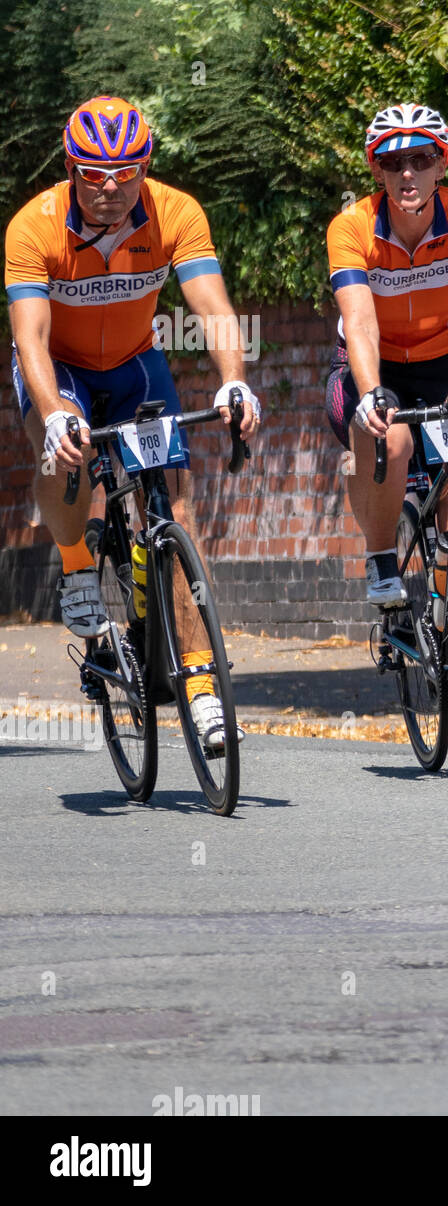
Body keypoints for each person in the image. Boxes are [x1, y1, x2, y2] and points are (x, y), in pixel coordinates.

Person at [5, 95, 260, 753]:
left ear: (145, 166)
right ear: (71, 167)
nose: (111, 186)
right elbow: (31, 338)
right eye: (94, 173)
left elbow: (212, 305)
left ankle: (201, 688)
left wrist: (234, 376)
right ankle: (79, 571)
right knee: (60, 457)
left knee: (176, 506)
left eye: (126, 170)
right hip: (59, 367)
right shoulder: (32, 227)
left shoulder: (176, 212)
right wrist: (58, 415)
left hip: (134, 365)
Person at [325, 102, 448, 722]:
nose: (407, 173)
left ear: (442, 163)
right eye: (393, 162)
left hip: (446, 358)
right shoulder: (352, 225)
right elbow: (358, 319)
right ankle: (384, 557)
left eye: (421, 160)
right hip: (371, 362)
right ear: (376, 170)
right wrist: (373, 391)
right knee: (395, 444)